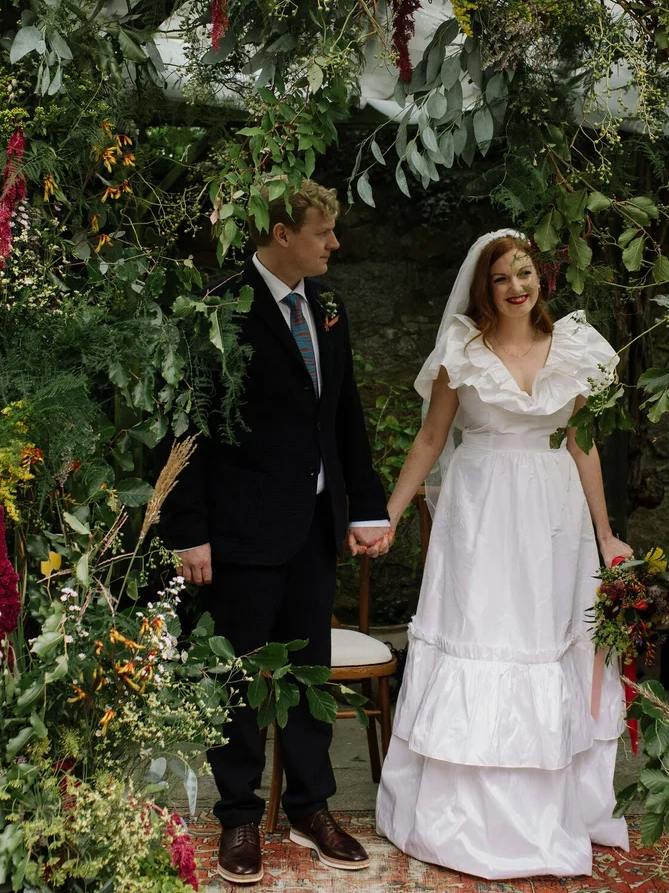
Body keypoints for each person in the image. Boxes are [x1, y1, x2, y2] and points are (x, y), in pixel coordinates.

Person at [374, 229, 633, 879]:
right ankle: (466, 819)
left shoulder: (572, 347)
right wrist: (391, 513)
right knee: (484, 638)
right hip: (482, 516)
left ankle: (551, 811)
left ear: (539, 277)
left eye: (524, 273)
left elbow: (582, 443)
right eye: (501, 278)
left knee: (546, 644)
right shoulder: (462, 352)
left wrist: (606, 535)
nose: (517, 286)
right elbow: (430, 440)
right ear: (483, 290)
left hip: (554, 518)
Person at [158, 179, 392, 885]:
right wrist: (187, 528)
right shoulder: (219, 307)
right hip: (240, 531)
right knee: (237, 679)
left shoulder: (328, 307)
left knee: (309, 674)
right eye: (323, 232)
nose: (335, 244)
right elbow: (187, 423)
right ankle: (237, 815)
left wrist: (365, 507)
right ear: (282, 234)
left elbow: (344, 415)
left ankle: (311, 809)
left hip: (314, 528)